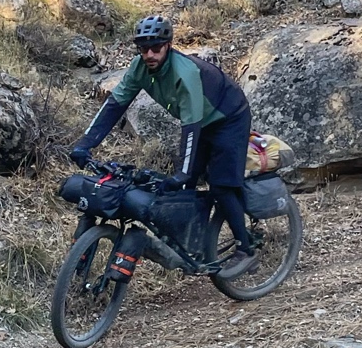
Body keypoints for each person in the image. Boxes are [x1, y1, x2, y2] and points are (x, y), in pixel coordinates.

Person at [69, 15, 256, 271]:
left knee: (221, 185)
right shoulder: (139, 68)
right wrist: (85, 144)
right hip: (199, 121)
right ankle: (193, 248)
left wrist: (182, 173)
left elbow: (190, 128)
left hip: (228, 117)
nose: (149, 54)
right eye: (143, 48)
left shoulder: (185, 73)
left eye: (156, 47)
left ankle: (246, 249)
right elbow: (114, 106)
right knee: (184, 189)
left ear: (168, 45)